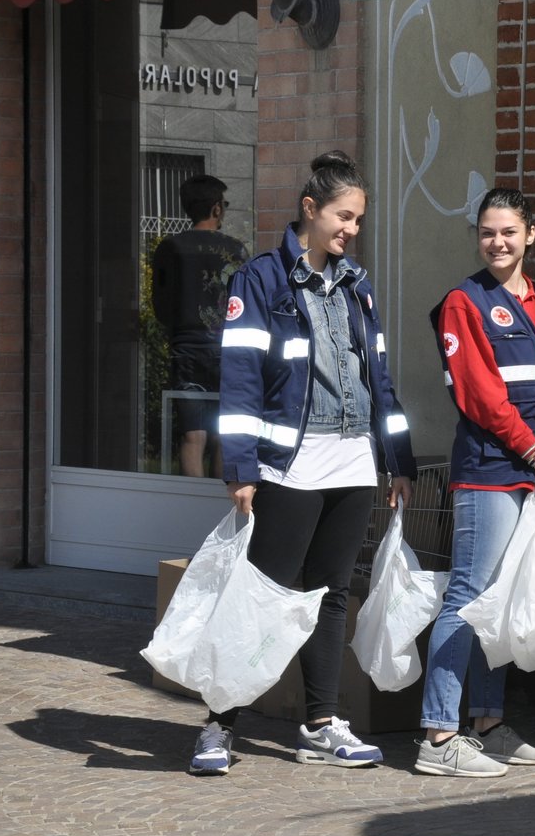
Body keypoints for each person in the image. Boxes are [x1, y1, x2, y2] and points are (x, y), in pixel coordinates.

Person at [188, 151, 416, 776]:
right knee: (260, 597)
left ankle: (320, 724)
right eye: (343, 217)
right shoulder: (260, 280)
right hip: (290, 464)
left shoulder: (359, 286)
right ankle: (218, 723)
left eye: (359, 220)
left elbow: (380, 379)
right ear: (310, 211)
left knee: (330, 596)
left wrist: (396, 458)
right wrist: (240, 467)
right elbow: (238, 381)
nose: (351, 230)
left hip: (352, 463)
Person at [418, 187, 535, 777]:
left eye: (509, 232)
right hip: (492, 473)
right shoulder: (463, 302)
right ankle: (439, 736)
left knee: (501, 601)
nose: (498, 242)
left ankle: (486, 724)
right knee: (468, 597)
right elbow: (481, 397)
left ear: (531, 235)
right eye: (488, 232)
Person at [151, 174, 249, 478]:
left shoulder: (170, 247)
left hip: (186, 349)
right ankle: (217, 509)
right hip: (227, 351)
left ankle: (188, 507)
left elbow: (161, 304)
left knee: (193, 436)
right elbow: (245, 303)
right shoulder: (236, 250)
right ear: (217, 208)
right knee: (224, 436)